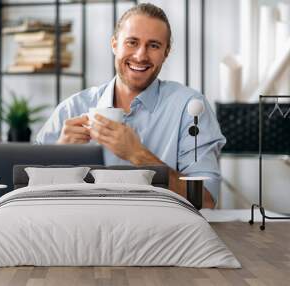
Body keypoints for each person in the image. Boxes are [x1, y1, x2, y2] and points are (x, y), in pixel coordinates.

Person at [35, 3, 225, 208]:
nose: (141, 55)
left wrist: (138, 155)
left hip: (162, 231)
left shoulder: (191, 109)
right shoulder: (72, 108)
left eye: (153, 45)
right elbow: (27, 193)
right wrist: (61, 154)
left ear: (166, 52)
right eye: (132, 42)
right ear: (115, 45)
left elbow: (205, 202)